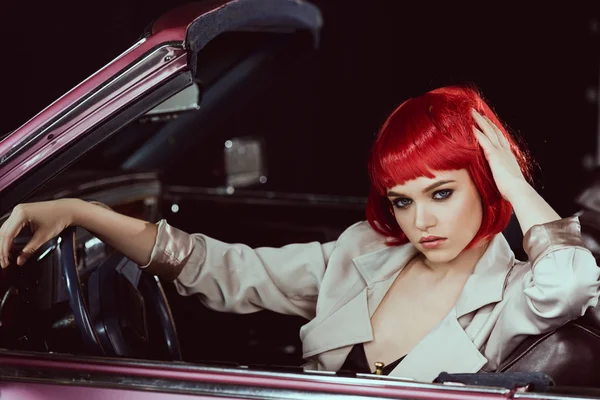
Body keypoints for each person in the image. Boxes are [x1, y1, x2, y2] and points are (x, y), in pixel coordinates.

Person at [1, 85, 598, 382]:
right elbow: (218, 269)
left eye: (442, 193)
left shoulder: (517, 292)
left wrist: (514, 185)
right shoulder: (362, 254)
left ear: (483, 182)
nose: (422, 222)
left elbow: (573, 281)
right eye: (403, 200)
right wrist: (83, 212)